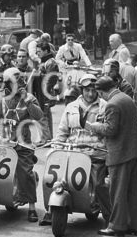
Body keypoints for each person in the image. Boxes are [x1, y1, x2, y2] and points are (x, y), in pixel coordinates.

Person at [44, 73, 110, 224]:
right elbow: (62, 131)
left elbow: (108, 131)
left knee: (99, 184)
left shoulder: (105, 107)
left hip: (96, 153)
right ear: (81, 90)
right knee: (53, 178)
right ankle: (50, 210)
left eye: (94, 90)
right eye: (87, 90)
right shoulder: (71, 107)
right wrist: (55, 147)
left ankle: (109, 217)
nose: (90, 93)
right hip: (72, 152)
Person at [0, 68, 43, 222]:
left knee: (25, 172)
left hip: (22, 144)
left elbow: (39, 116)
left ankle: (31, 206)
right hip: (2, 142)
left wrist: (27, 101)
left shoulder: (28, 98)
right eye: (10, 83)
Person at [88, 74, 137, 237]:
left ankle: (117, 226)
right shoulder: (126, 98)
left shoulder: (112, 104)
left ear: (102, 92)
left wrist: (95, 126)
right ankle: (134, 225)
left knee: (117, 191)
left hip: (120, 153)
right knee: (132, 191)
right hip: (133, 151)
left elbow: (111, 129)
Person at [30, 39, 60, 141]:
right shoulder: (45, 62)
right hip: (43, 93)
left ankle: (46, 138)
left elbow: (50, 79)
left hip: (46, 93)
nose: (37, 53)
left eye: (39, 51)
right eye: (37, 51)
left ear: (46, 51)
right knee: (45, 115)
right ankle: (47, 137)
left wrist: (38, 75)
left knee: (44, 116)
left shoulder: (50, 62)